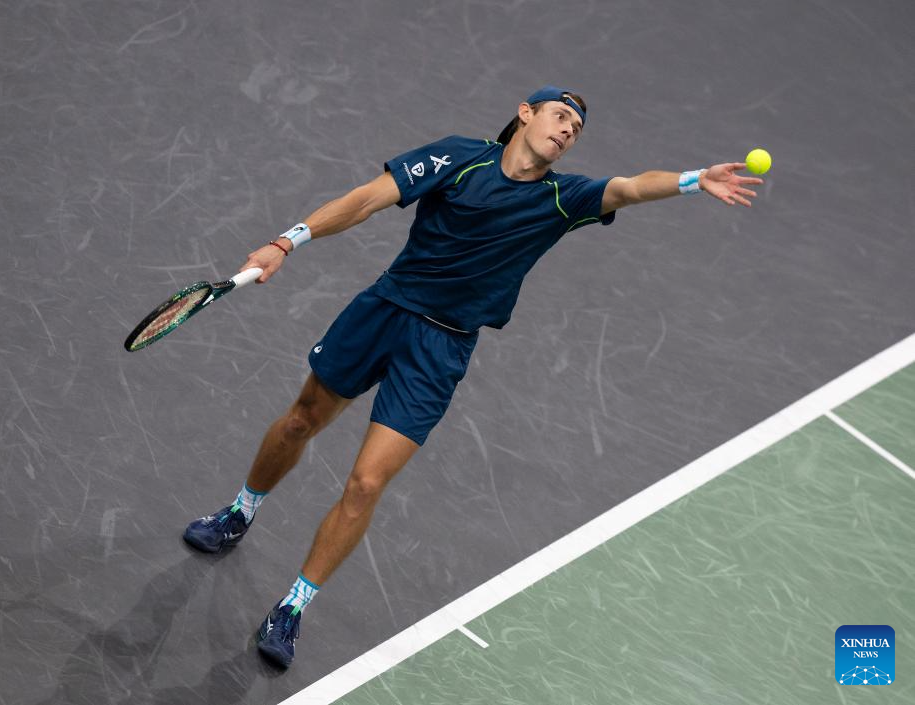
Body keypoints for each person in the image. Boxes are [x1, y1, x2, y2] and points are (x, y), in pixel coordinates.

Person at [181, 86, 763, 668]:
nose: (567, 130)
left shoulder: (566, 198)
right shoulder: (458, 157)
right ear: (525, 113)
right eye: (560, 116)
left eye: (576, 129)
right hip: (383, 310)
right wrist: (287, 241)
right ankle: (240, 511)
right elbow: (366, 200)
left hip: (441, 350)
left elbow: (632, 187)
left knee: (366, 483)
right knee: (301, 421)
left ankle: (293, 606)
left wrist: (694, 180)